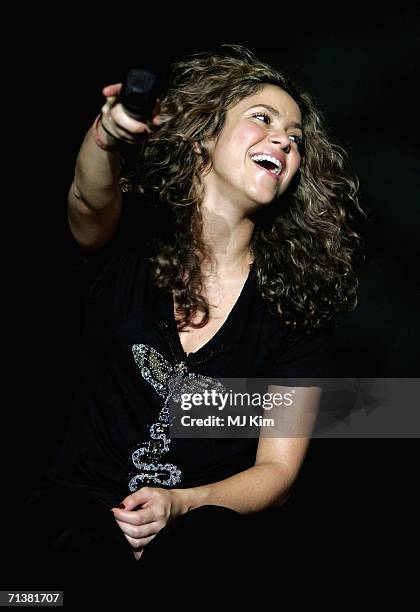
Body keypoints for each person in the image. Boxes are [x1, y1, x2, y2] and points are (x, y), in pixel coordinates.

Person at [9, 45, 364, 597]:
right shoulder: (129, 242)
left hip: (195, 538)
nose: (284, 141)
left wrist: (182, 504)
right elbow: (87, 195)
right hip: (71, 522)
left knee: (209, 548)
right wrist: (109, 134)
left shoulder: (299, 303)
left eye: (296, 139)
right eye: (262, 119)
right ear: (204, 135)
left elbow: (278, 472)